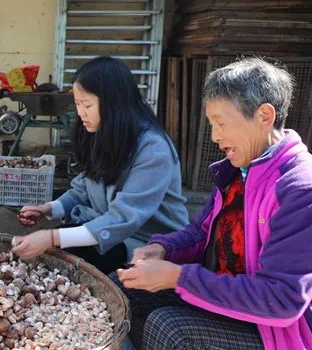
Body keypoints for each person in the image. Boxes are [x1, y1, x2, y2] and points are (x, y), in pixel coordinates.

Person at [116, 58, 312, 350]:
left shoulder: (303, 189)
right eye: (212, 125)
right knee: (124, 287)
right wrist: (163, 249)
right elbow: (203, 231)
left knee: (168, 328)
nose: (214, 137)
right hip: (230, 299)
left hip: (283, 337)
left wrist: (177, 277)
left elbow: (283, 302)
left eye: (221, 124)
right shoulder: (243, 168)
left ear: (264, 115)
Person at [11, 57, 189, 274]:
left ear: (113, 104)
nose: (80, 112)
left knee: (67, 255)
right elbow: (84, 187)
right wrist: (48, 208)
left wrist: (51, 237)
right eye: (77, 104)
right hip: (108, 230)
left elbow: (124, 218)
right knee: (59, 249)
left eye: (87, 105)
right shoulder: (100, 132)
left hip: (148, 244)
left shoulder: (152, 149)